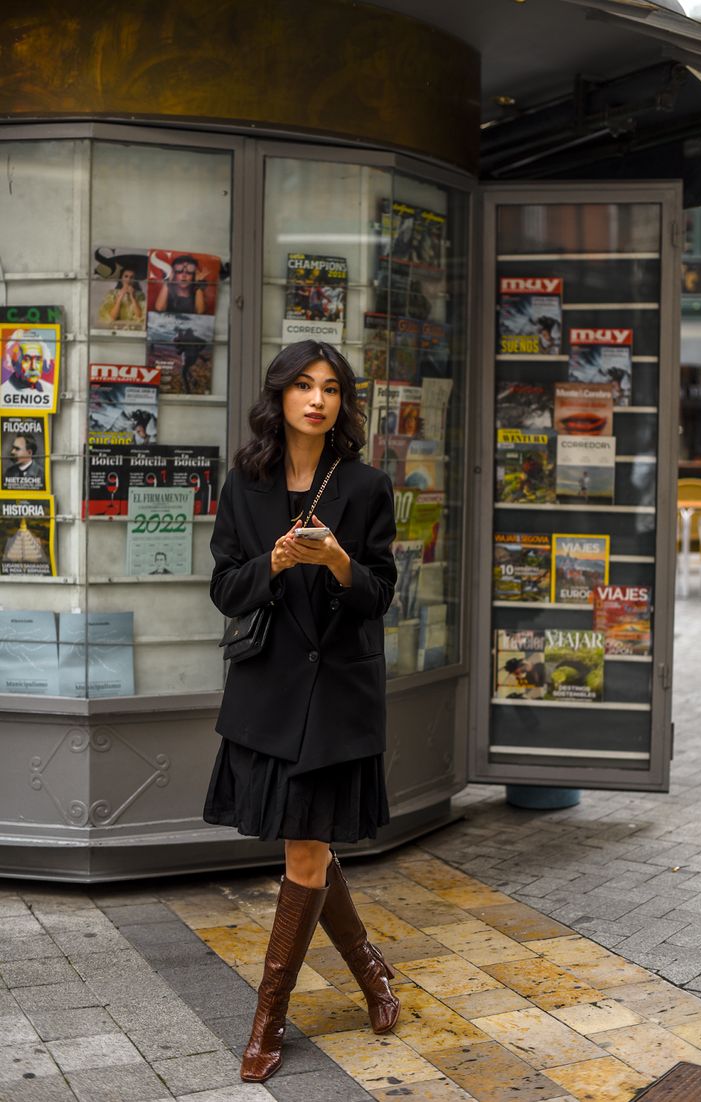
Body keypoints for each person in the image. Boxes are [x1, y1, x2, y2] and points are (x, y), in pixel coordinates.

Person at [204, 339, 400, 1083]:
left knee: (305, 853)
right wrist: (278, 562)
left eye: (331, 389)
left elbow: (380, 594)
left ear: (343, 405)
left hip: (340, 695)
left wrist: (339, 563)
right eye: (303, 386)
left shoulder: (366, 484)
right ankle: (373, 973)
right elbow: (225, 588)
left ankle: (266, 1022)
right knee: (307, 848)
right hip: (269, 692)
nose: (317, 399)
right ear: (280, 397)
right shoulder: (244, 482)